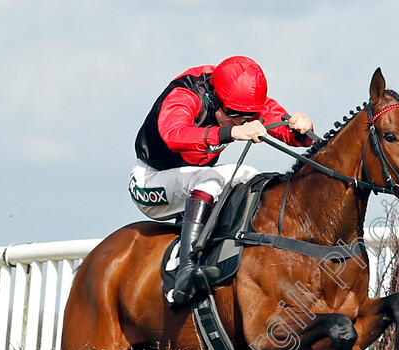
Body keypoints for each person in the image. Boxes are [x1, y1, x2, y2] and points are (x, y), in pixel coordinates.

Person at [131, 55, 314, 305]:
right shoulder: (186, 94)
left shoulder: (240, 101)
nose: (241, 120)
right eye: (235, 115)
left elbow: (280, 125)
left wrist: (300, 129)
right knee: (209, 179)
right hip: (150, 181)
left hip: (190, 180)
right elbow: (174, 134)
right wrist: (232, 133)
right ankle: (186, 269)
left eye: (246, 117)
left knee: (250, 176)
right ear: (216, 99)